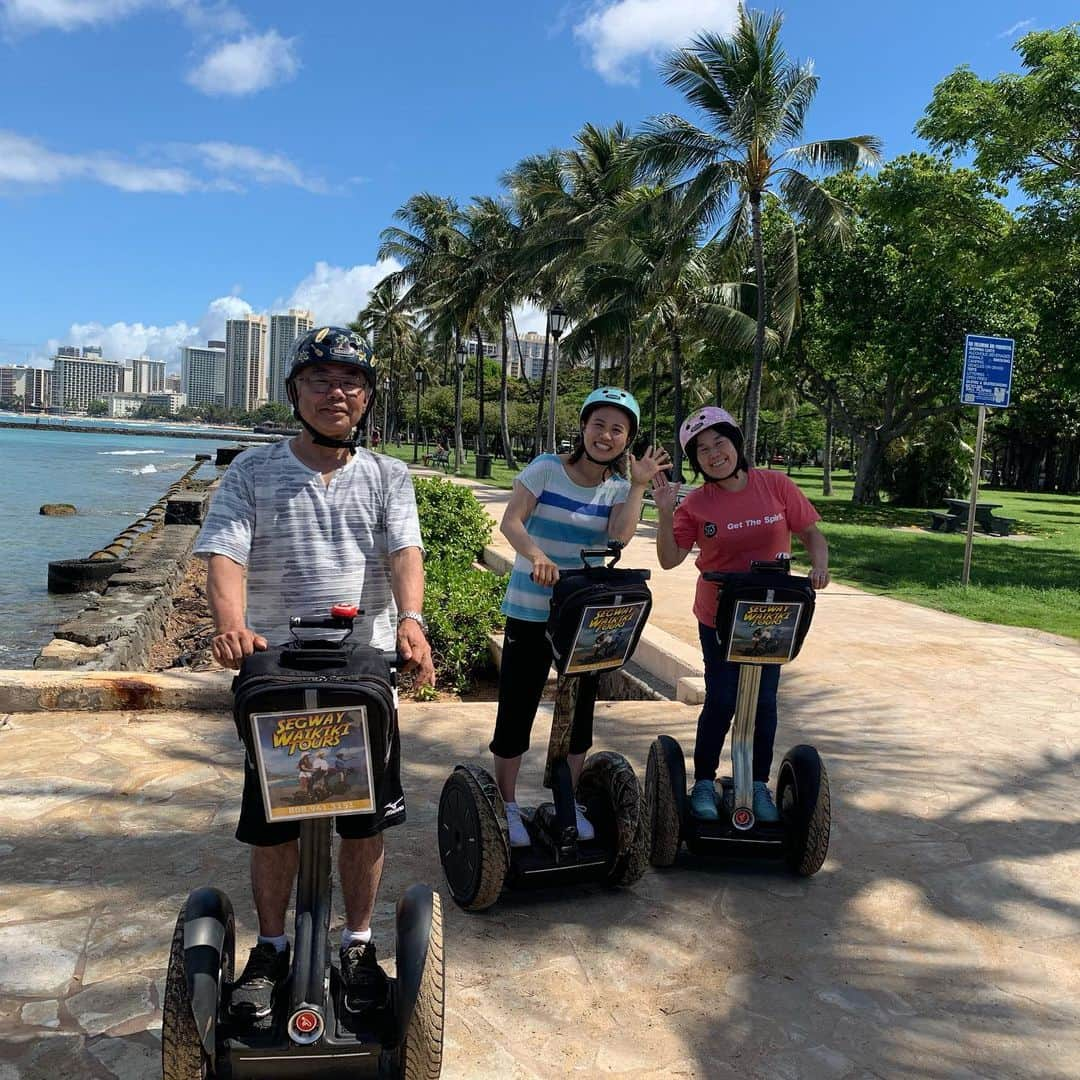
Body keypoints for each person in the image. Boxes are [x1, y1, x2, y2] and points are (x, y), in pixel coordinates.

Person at [193, 325, 435, 1025]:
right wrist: (231, 626)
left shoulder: (388, 476)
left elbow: (404, 554)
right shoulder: (252, 472)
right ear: (295, 391)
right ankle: (271, 947)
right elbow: (225, 554)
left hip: (363, 671)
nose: (337, 392)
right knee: (275, 823)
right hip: (275, 669)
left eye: (351, 381)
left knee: (362, 824)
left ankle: (358, 945)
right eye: (321, 380)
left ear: (365, 398)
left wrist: (412, 622)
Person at [492, 387, 670, 846]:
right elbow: (512, 521)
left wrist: (638, 485)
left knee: (579, 715)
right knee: (518, 707)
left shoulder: (617, 486)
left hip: (582, 619)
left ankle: (565, 800)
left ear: (627, 438)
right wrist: (536, 556)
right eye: (599, 425)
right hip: (532, 609)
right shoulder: (547, 469)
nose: (606, 436)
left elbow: (619, 537)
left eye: (617, 429)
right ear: (584, 428)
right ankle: (507, 805)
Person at [651, 406, 830, 822]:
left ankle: (758, 785)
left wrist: (819, 565)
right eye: (702, 450)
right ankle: (703, 782)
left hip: (772, 614)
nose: (714, 454)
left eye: (720, 443)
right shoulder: (696, 504)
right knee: (723, 699)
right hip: (718, 615)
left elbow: (811, 535)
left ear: (735, 442)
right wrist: (663, 510)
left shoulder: (776, 485)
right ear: (696, 461)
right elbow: (669, 558)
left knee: (765, 702)